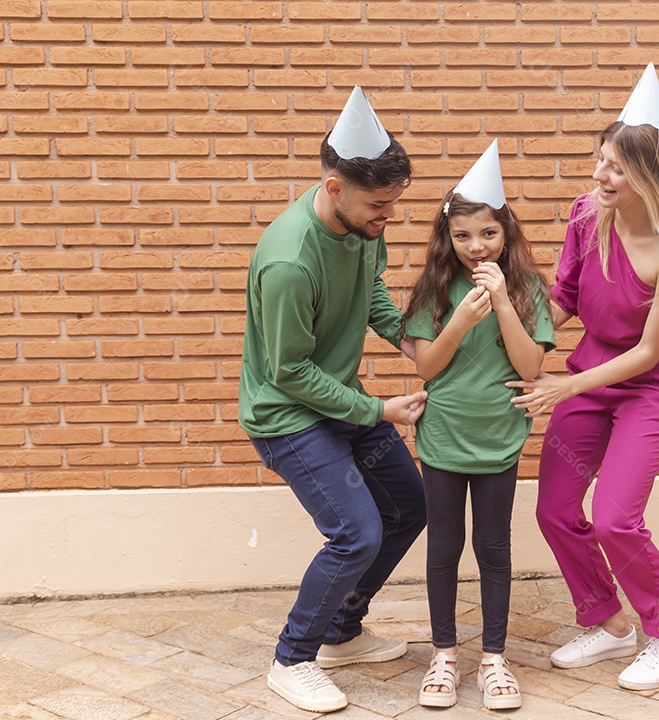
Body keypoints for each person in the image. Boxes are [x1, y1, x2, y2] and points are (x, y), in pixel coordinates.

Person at [506, 63, 659, 691]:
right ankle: (608, 621)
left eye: (616, 167)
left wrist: (563, 386)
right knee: (557, 508)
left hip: (650, 390)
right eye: (600, 161)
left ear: (652, 176)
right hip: (591, 373)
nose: (600, 175)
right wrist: (512, 328)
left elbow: (650, 353)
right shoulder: (586, 215)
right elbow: (563, 297)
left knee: (618, 518)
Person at [238, 86, 428, 714]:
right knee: (355, 533)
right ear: (333, 186)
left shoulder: (363, 227)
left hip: (339, 402)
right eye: (380, 205)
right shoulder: (290, 260)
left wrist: (412, 342)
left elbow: (372, 292)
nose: (388, 217)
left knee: (408, 506)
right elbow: (289, 372)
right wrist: (379, 410)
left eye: (394, 203)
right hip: (288, 417)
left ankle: (343, 631)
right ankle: (293, 659)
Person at [402, 141, 555, 710]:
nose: (475, 247)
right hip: (443, 438)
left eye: (487, 234)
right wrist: (462, 319)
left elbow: (531, 366)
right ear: (448, 237)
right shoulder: (435, 290)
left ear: (506, 234)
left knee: (494, 547)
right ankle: (444, 653)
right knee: (444, 546)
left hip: (498, 438)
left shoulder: (528, 289)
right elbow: (427, 365)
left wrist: (504, 306)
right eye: (463, 235)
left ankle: (493, 657)